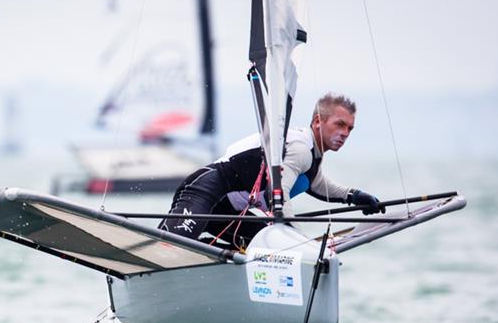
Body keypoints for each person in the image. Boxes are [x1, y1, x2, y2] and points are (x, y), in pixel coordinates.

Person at [158, 93, 384, 249]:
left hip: (230, 210)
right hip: (205, 190)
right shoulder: (300, 149)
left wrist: (354, 196)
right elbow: (277, 193)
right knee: (173, 245)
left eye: (350, 128)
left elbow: (316, 184)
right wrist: (296, 238)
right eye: (340, 124)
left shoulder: (313, 154)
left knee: (266, 248)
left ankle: (208, 255)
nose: (345, 133)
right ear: (318, 121)